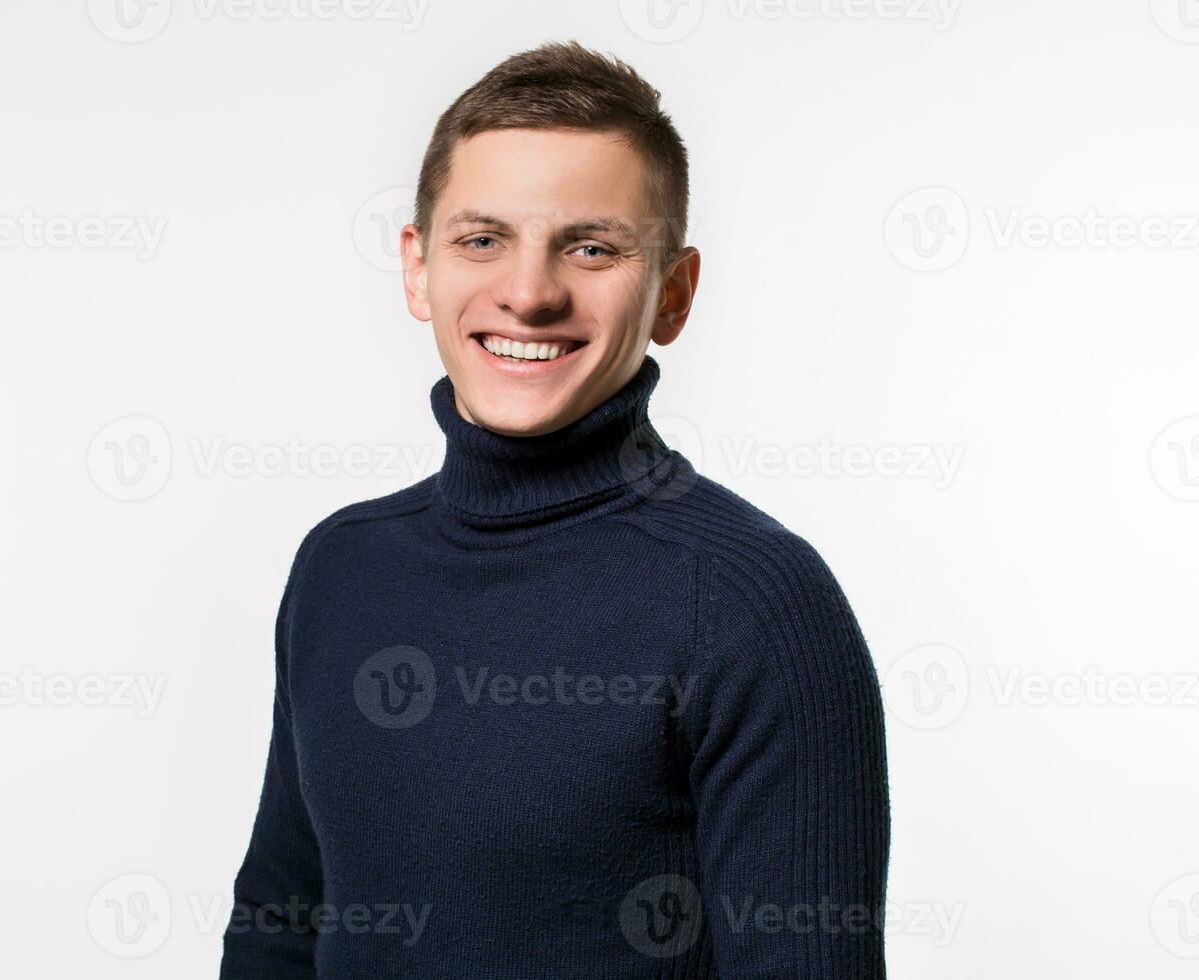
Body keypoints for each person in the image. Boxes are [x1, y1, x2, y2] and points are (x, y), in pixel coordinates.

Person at [219, 39, 890, 979]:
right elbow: (278, 928)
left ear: (673, 293)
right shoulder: (340, 565)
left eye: (592, 247)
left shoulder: (753, 602)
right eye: (482, 239)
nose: (529, 293)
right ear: (419, 267)